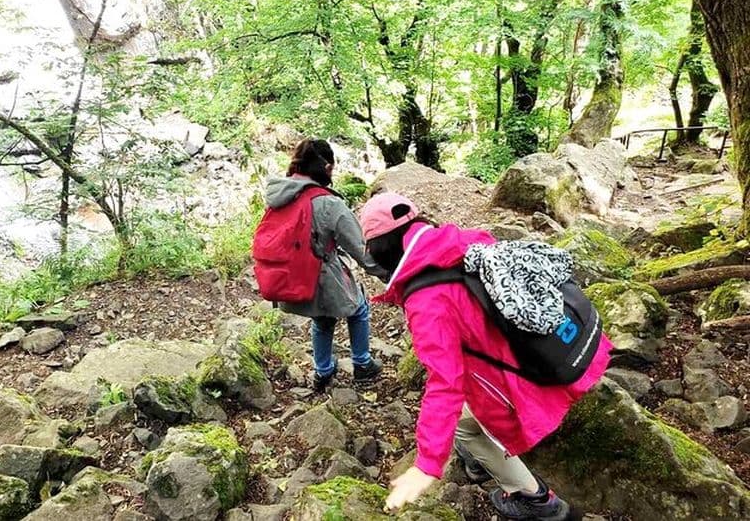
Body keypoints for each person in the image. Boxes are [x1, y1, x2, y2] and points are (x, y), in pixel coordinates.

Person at [358, 192, 613, 520]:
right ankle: (479, 459)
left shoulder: (426, 302)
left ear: (379, 253)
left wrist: (427, 464)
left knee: (465, 427)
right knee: (465, 416)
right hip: (552, 345)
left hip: (525, 374)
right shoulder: (456, 242)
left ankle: (539, 502)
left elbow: (445, 383)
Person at [261, 138, 388, 391]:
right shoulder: (329, 203)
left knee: (322, 320)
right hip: (320, 274)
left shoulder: (279, 195)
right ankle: (362, 364)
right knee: (359, 306)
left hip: (290, 276)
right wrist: (389, 274)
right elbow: (360, 249)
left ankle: (323, 372)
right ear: (327, 168)